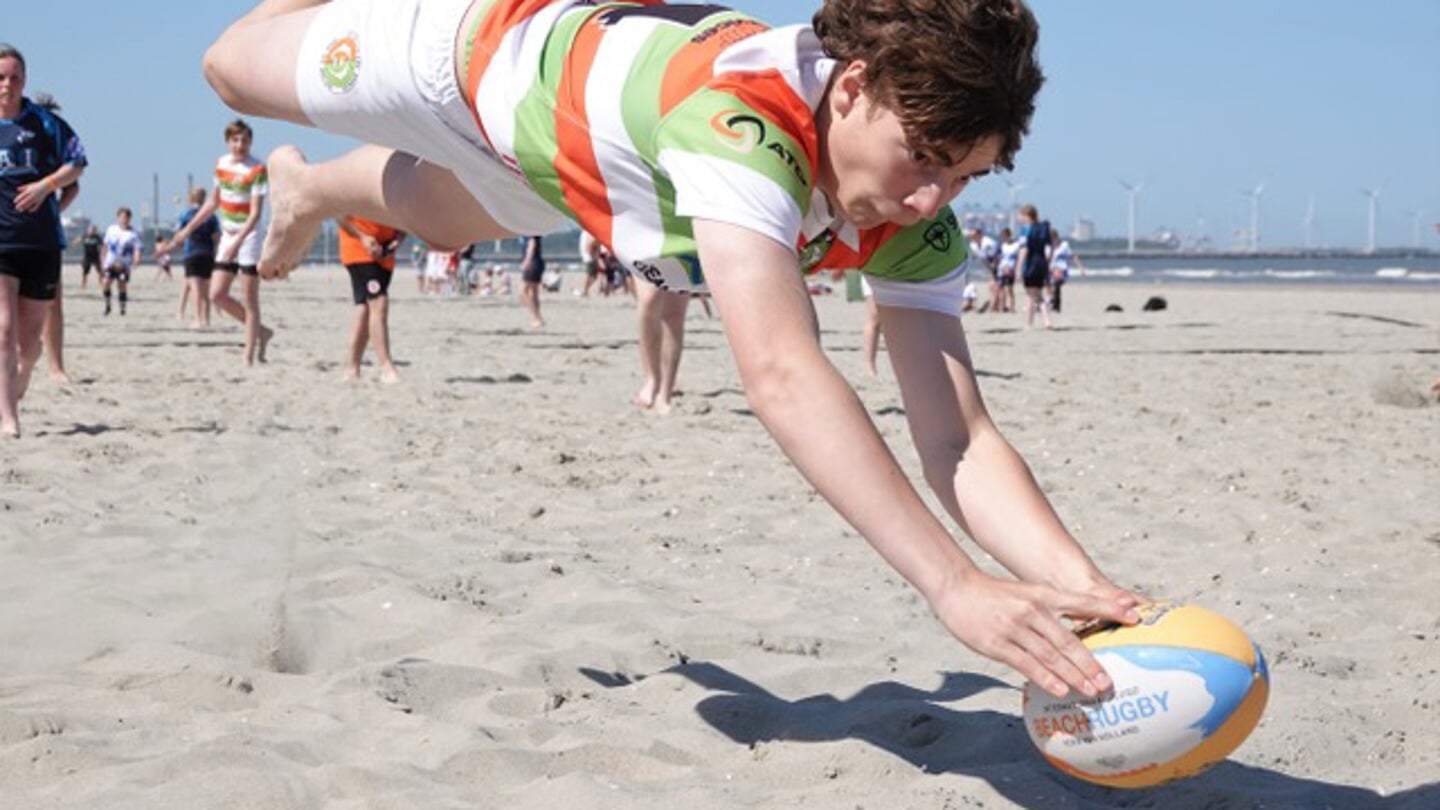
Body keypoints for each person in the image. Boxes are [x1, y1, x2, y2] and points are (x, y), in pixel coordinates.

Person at [204, 0, 1142, 699]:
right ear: (852, 88)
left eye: (965, 176)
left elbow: (961, 439)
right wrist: (954, 585)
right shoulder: (743, 129)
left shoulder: (905, 212)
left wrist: (1080, 584)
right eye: (926, 156)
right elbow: (780, 371)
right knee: (232, 70)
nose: (934, 200)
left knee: (442, 216)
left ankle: (312, 192)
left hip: (585, 168)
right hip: (484, 56)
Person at [0, 43, 86, 437]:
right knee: (3, 327)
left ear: (24, 80)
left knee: (29, 344)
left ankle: (24, 381)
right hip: (3, 243)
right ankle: (8, 417)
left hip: (41, 244)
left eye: (14, 77)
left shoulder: (45, 124)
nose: (7, 85)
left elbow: (77, 162)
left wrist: (45, 189)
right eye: (1, 78)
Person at [159, 119, 273, 365]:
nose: (239, 145)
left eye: (244, 140)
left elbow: (255, 214)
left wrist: (237, 242)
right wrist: (187, 230)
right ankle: (261, 331)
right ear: (228, 142)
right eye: (235, 140)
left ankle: (249, 354)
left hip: (249, 235)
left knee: (249, 297)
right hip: (229, 231)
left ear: (250, 142)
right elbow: (213, 203)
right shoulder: (221, 165)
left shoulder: (257, 169)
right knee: (217, 294)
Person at [337, 214, 404, 382]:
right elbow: (338, 213)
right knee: (379, 302)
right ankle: (386, 367)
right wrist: (362, 236)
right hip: (359, 248)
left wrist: (398, 240)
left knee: (366, 309)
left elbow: (406, 217)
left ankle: (351, 368)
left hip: (385, 254)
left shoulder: (400, 187)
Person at [176, 186, 220, 329]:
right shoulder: (211, 215)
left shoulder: (185, 214)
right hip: (208, 253)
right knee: (206, 288)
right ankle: (206, 319)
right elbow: (216, 237)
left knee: (195, 287)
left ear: (190, 199)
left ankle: (198, 318)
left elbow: (179, 234)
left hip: (192, 252)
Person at [100, 207, 142, 316]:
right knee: (106, 282)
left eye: (126, 218)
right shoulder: (111, 229)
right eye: (122, 217)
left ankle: (122, 307)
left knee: (121, 284)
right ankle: (107, 305)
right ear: (118, 218)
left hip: (124, 264)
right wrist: (103, 259)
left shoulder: (133, 233)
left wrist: (137, 259)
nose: (124, 220)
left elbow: (137, 248)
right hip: (110, 262)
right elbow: (105, 245)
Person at [1017, 204, 1052, 329]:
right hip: (1041, 262)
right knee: (1038, 294)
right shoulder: (1043, 228)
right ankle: (1047, 320)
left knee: (1030, 295)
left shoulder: (1026, 229)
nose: (1019, 218)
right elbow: (1049, 249)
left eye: (1020, 215)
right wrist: (1047, 263)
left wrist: (1018, 268)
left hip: (1030, 264)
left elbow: (1024, 249)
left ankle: (1028, 323)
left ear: (1027, 216)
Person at [968, 226, 1001, 313]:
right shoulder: (973, 245)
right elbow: (979, 257)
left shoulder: (989, 242)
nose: (973, 237)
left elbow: (996, 256)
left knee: (994, 285)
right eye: (971, 236)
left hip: (997, 265)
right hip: (986, 266)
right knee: (992, 286)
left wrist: (994, 268)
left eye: (974, 235)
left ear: (980, 234)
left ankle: (994, 306)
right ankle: (994, 305)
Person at [1047, 231, 1081, 314]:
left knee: (1056, 284)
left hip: (1062, 270)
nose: (1052, 241)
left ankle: (1056, 306)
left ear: (1056, 237)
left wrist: (1080, 268)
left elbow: (1073, 256)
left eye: (1053, 239)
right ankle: (1052, 302)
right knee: (1049, 287)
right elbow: (1047, 260)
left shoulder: (1064, 246)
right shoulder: (1048, 247)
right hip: (1051, 270)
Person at [518, 235, 545, 328]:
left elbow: (532, 243)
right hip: (537, 261)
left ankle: (536, 317)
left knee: (522, 292)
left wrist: (527, 260)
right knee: (533, 293)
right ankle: (537, 318)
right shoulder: (527, 231)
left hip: (533, 262)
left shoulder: (530, 231)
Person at [997, 226, 1020, 314]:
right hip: (1002, 269)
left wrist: (1015, 269)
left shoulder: (1016, 245)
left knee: (1010, 288)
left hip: (1011, 269)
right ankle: (1002, 307)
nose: (1004, 238)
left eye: (1005, 236)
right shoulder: (1002, 246)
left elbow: (1018, 258)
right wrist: (1002, 268)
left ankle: (1012, 307)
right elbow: (999, 258)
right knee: (1001, 288)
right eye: (1003, 236)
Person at [77, 223, 101, 289]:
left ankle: (101, 283)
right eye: (90, 230)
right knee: (85, 272)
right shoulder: (84, 236)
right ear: (87, 230)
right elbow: (78, 240)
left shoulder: (97, 237)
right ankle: (83, 284)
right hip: (87, 257)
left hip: (96, 256)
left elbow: (102, 245)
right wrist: (76, 242)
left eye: (93, 230)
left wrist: (102, 254)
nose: (91, 231)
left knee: (100, 271)